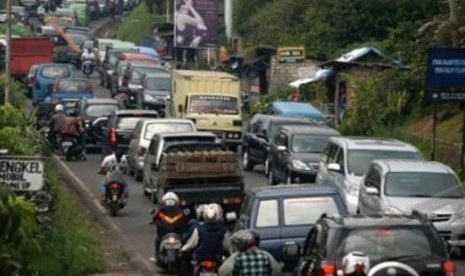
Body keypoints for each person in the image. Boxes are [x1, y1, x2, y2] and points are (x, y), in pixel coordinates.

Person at [180, 203, 232, 275]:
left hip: (201, 259)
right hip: (217, 259)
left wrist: (183, 249)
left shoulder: (198, 228)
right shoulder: (224, 229)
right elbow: (227, 246)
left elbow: (191, 244)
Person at [149, 192, 187, 262]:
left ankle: (156, 256)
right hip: (176, 234)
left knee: (157, 240)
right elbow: (186, 219)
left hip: (165, 234)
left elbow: (154, 218)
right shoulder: (180, 211)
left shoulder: (161, 211)